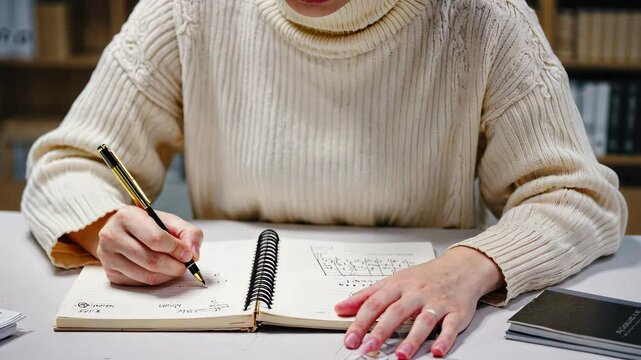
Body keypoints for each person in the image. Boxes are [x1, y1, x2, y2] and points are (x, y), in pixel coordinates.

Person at [22, 0, 627, 358]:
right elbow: (69, 162)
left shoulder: (484, 20)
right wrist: (110, 225)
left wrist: (470, 266)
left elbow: (577, 194)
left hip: (407, 342)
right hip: (226, 339)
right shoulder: (188, 11)